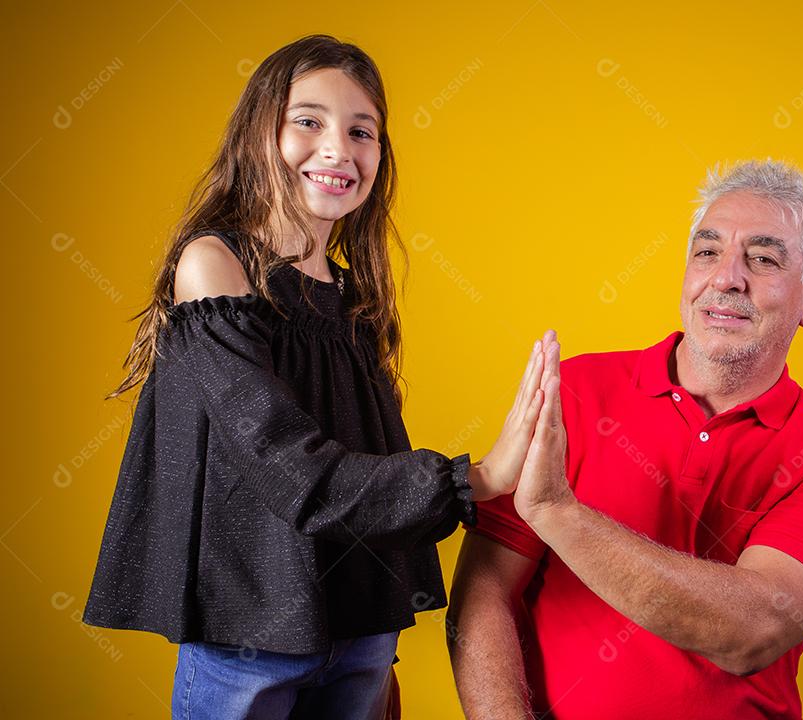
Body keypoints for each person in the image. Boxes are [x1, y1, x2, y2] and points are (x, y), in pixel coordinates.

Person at [84, 34, 547, 720]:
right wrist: (472, 478)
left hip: (360, 629)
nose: (338, 148)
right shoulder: (213, 268)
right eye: (309, 121)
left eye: (362, 131)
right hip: (250, 631)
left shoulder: (356, 300)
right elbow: (292, 472)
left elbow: (365, 464)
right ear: (258, 134)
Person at [448, 160, 803, 719]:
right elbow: (483, 596)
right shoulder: (576, 392)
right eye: (707, 252)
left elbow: (752, 632)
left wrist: (558, 513)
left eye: (764, 258)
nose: (725, 278)